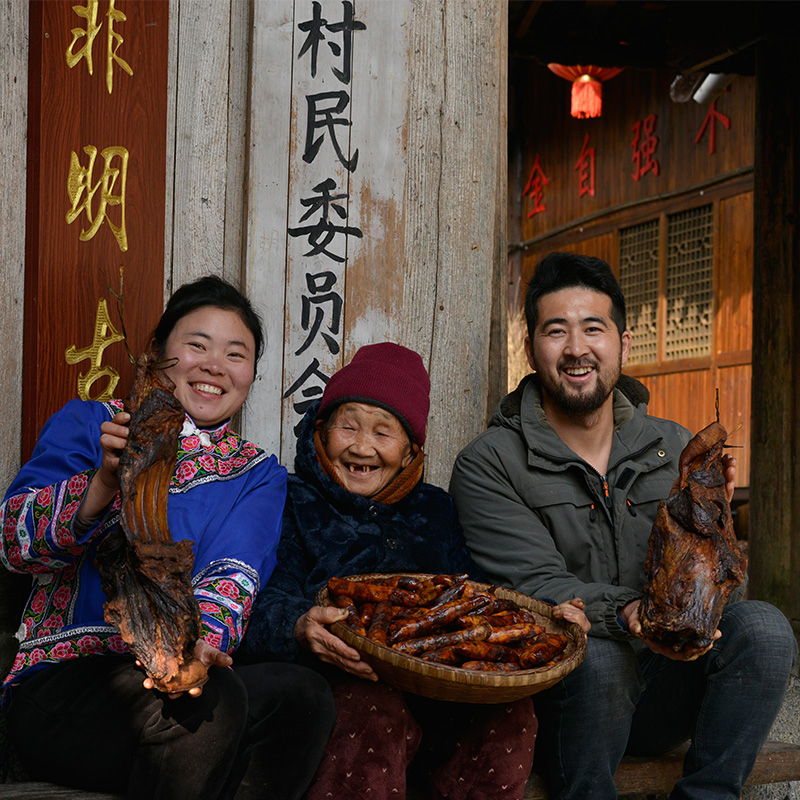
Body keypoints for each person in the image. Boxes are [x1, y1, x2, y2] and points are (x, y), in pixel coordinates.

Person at [449, 252, 797, 800]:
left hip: (660, 691)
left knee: (766, 629)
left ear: (623, 344)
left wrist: (712, 529)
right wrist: (633, 614)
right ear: (531, 349)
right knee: (601, 654)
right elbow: (532, 585)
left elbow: (712, 593)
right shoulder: (489, 462)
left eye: (594, 329)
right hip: (560, 697)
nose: (576, 349)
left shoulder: (676, 446)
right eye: (556, 331)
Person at [0, 276, 335, 800]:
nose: (214, 366)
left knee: (301, 697)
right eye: (196, 345)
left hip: (181, 671)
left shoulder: (255, 473)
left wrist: (202, 652)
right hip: (69, 683)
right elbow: (13, 545)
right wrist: (104, 484)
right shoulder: (93, 424)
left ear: (251, 374)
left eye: (235, 354)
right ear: (157, 353)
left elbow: (234, 572)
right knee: (212, 703)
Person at [239, 342, 585, 800]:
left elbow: (473, 595)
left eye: (383, 433)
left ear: (408, 453)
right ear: (321, 432)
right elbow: (256, 600)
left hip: (437, 699)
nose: (362, 446)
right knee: (373, 707)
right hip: (338, 692)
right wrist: (299, 627)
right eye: (348, 426)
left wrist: (544, 623)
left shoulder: (436, 511)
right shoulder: (290, 501)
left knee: (510, 714)